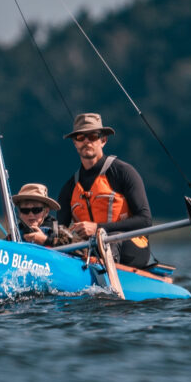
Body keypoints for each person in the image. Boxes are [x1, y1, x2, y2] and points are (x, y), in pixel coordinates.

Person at [55, 112, 153, 268]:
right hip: (92, 251)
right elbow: (59, 232)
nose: (87, 141)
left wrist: (98, 228)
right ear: (75, 143)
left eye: (93, 136)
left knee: (110, 239)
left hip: (133, 247)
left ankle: (108, 290)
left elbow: (146, 221)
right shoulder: (69, 188)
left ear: (103, 140)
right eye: (80, 137)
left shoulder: (124, 172)